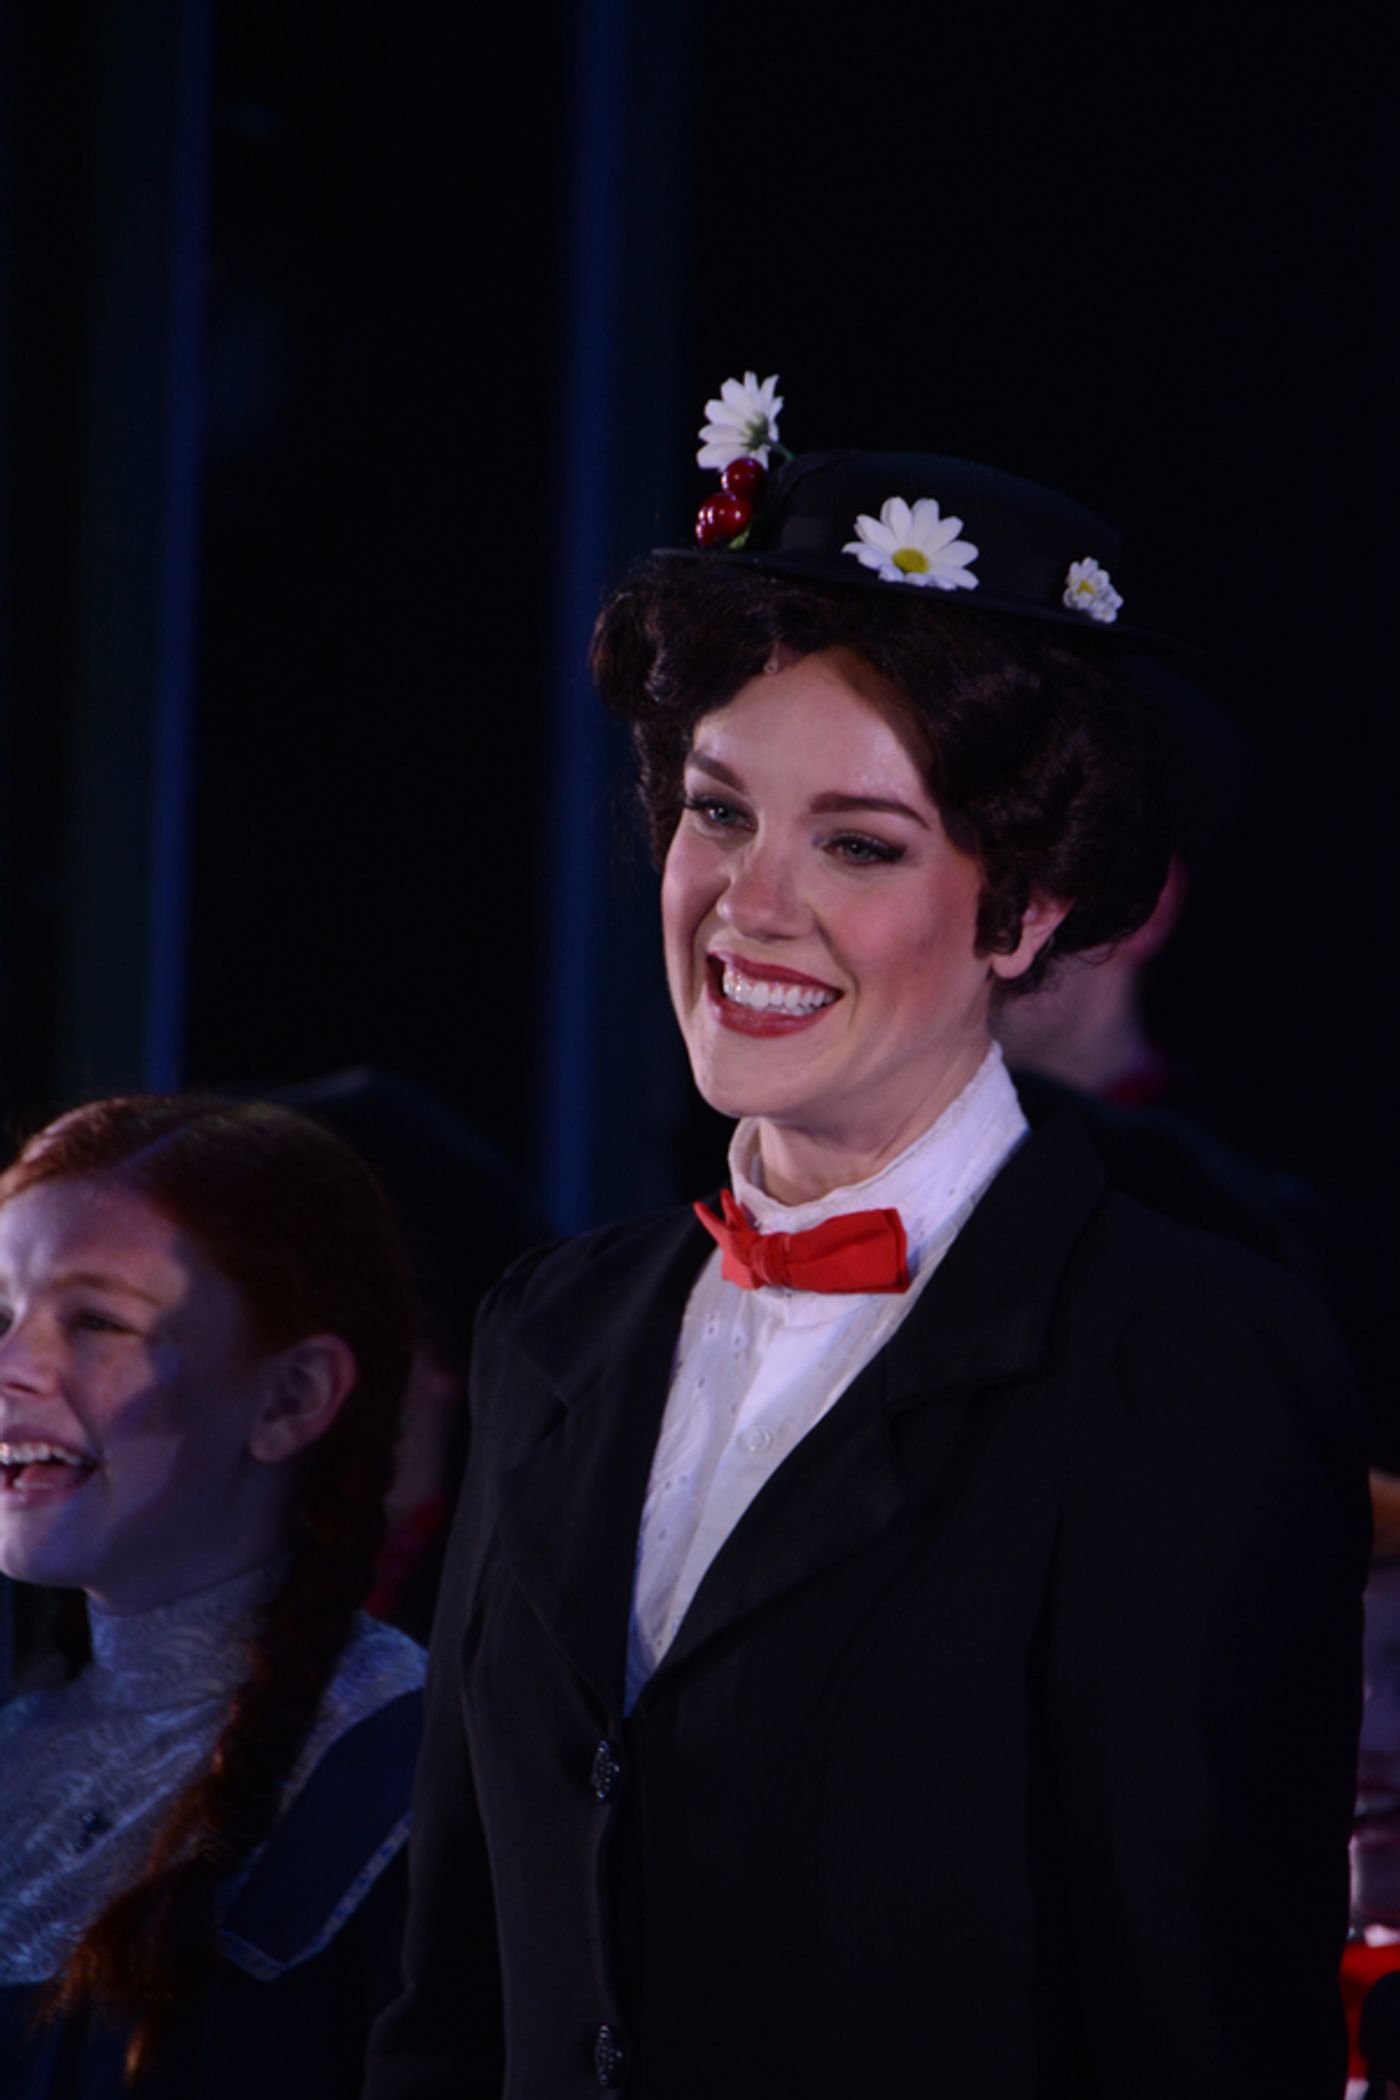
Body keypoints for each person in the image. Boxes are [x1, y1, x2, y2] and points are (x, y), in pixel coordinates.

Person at [366, 379, 1369, 2097]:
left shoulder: (1189, 1359)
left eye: (858, 842)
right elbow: (451, 2000)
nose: (751, 905)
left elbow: (1199, 2031)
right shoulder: (553, 1323)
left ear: (1026, 908)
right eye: (717, 810)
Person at [0, 1095, 426, 2099]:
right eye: (1, 1317)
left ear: (292, 1396)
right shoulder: (21, 1737)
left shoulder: (408, 1784)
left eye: (96, 1321)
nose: (11, 1368)